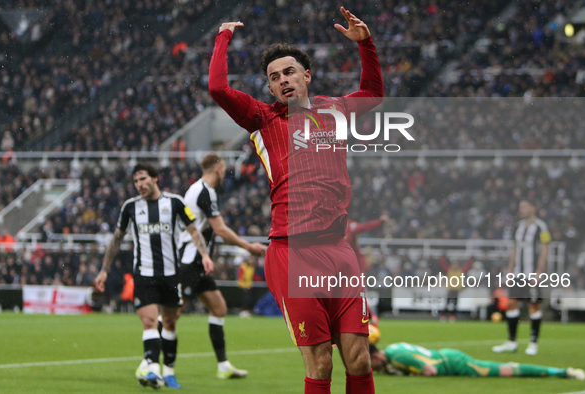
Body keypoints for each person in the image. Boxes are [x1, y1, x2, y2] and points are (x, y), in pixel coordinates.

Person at [209, 6, 383, 394]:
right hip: (292, 253)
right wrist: (223, 36)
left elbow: (372, 93)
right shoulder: (262, 118)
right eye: (274, 77)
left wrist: (366, 44)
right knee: (321, 363)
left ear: (306, 76)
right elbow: (218, 89)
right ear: (270, 89)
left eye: (289, 72)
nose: (283, 80)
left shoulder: (333, 109)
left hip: (338, 252)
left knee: (359, 357)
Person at [95, 163, 214, 389]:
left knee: (169, 322)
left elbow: (194, 230)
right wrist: (103, 270)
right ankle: (152, 369)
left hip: (170, 274)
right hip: (144, 274)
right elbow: (116, 239)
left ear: (155, 178)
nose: (139, 185)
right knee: (149, 321)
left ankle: (168, 371)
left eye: (143, 179)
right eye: (136, 181)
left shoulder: (175, 203)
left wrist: (205, 255)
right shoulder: (130, 207)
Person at [175, 153, 266, 379]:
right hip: (191, 260)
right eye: (224, 168)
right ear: (218, 170)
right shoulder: (205, 191)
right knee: (171, 315)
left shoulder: (200, 190)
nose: (225, 172)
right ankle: (151, 362)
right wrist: (248, 246)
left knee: (219, 308)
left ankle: (223, 366)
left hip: (198, 260)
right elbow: (221, 230)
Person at [492, 198, 550, 356]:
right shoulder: (517, 226)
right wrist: (510, 271)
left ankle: (533, 343)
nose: (521, 209)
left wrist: (539, 272)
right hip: (518, 274)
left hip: (532, 274)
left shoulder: (541, 226)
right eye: (520, 207)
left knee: (533, 306)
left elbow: (544, 250)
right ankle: (511, 342)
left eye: (524, 206)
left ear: (533, 208)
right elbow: (515, 250)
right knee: (511, 303)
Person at [370, 342, 585, 380]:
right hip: (448, 355)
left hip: (453, 363)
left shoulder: (397, 357)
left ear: (378, 356)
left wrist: (406, 374)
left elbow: (430, 371)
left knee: (505, 370)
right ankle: (561, 372)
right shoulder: (394, 350)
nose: (372, 368)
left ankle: (562, 372)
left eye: (372, 364)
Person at [438, 256, 474, 322]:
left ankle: (452, 316)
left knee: (455, 304)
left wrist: (471, 260)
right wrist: (441, 259)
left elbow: (467, 266)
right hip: (450, 289)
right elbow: (443, 265)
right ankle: (444, 316)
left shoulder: (460, 271)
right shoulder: (450, 270)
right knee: (447, 303)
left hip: (456, 290)